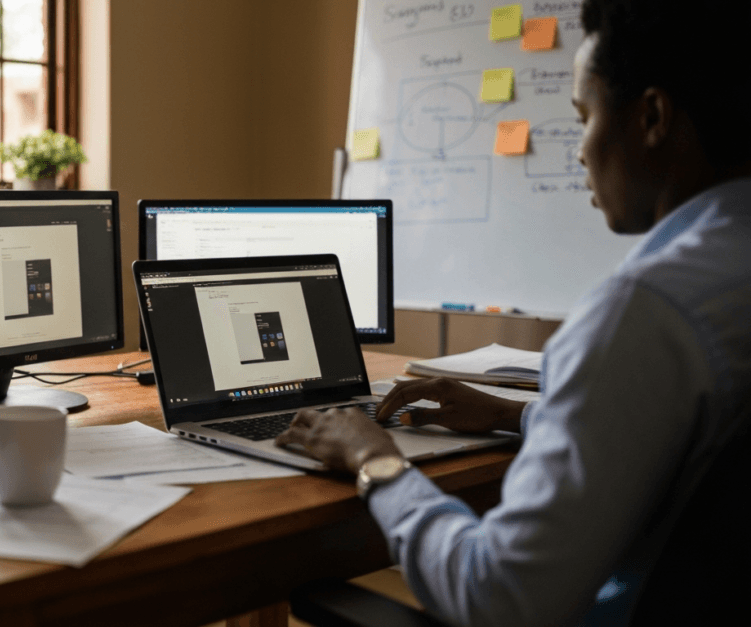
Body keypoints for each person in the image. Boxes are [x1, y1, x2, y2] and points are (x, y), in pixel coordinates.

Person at [276, 0, 751, 624]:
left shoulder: (643, 313)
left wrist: (375, 460)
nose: (579, 152)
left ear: (652, 117)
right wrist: (516, 415)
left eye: (584, 118)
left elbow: (498, 598)